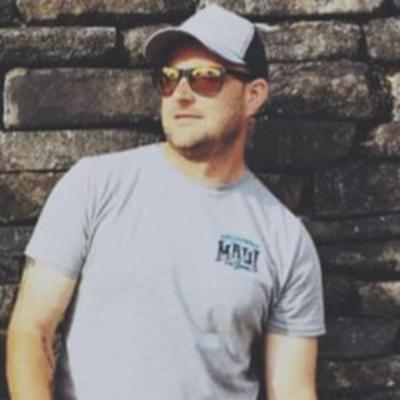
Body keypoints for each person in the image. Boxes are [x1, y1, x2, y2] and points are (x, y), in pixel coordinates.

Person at [7, 4, 325, 400]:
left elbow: (292, 389)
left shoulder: (285, 240)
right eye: (170, 79)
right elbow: (32, 331)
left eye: (206, 78)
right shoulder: (95, 186)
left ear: (254, 95)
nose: (182, 94)